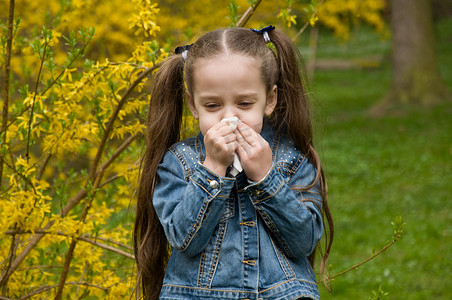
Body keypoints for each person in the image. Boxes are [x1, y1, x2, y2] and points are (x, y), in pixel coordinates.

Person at [134, 26, 334, 300]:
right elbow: (184, 239)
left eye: (244, 103)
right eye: (213, 106)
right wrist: (212, 170)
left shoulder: (291, 159)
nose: (230, 118)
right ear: (193, 105)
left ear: (269, 100)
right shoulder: (180, 162)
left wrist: (266, 178)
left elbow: (303, 242)